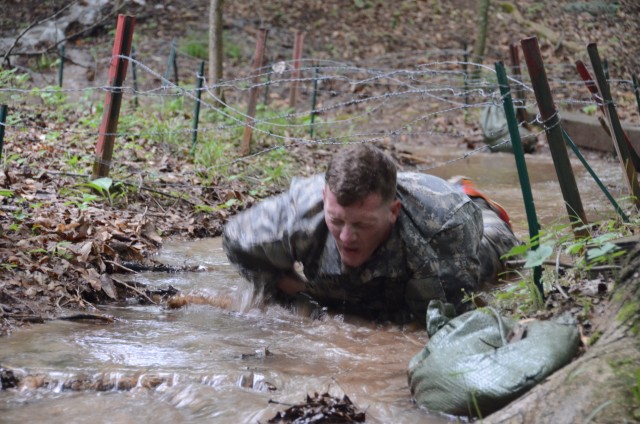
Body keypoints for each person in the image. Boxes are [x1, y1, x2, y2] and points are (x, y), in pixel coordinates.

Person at [222, 144, 519, 324]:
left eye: (362, 225)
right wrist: (290, 289)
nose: (347, 237)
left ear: (392, 211)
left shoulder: (442, 231)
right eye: (337, 221)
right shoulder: (301, 212)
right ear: (325, 197)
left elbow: (435, 322)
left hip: (454, 219)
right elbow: (235, 239)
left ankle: (471, 195)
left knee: (502, 247)